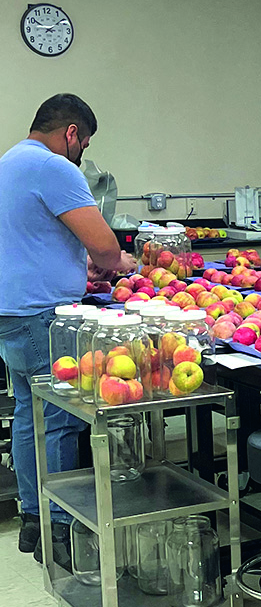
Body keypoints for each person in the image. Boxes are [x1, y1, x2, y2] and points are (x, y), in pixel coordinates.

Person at [0, 94, 137, 565]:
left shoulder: (9, 160)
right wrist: (121, 262)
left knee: (27, 412)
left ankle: (33, 515)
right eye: (84, 142)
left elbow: (32, 240)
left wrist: (78, 265)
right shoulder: (56, 167)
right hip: (43, 313)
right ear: (72, 133)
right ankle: (60, 529)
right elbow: (103, 245)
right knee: (58, 420)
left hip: (10, 311)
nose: (81, 153)